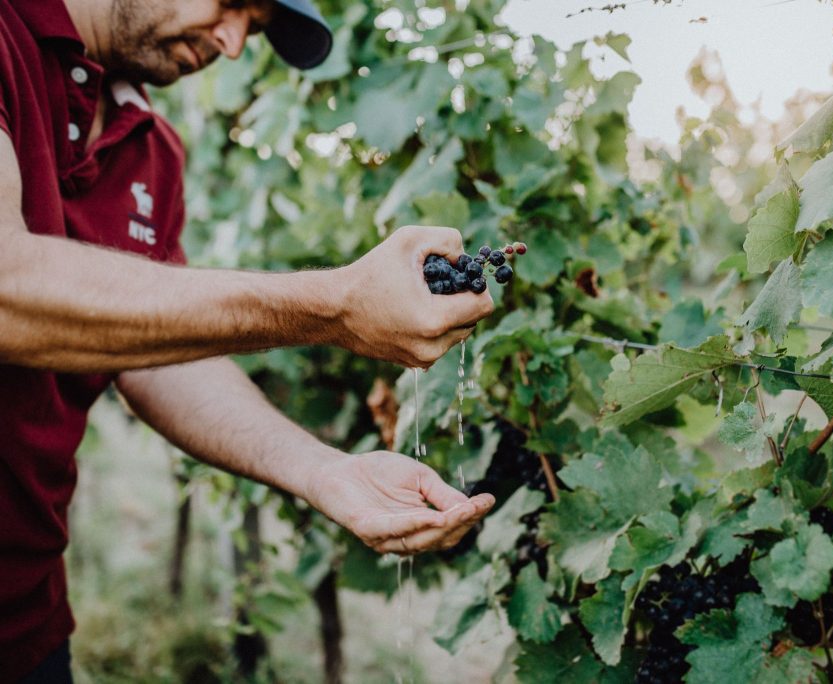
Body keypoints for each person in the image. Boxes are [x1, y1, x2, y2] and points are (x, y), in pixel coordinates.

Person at [0, 0, 498, 680]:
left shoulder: (149, 147)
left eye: (254, 27)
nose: (234, 44)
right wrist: (332, 307)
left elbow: (154, 358)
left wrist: (322, 470)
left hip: (25, 620)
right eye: (232, 3)